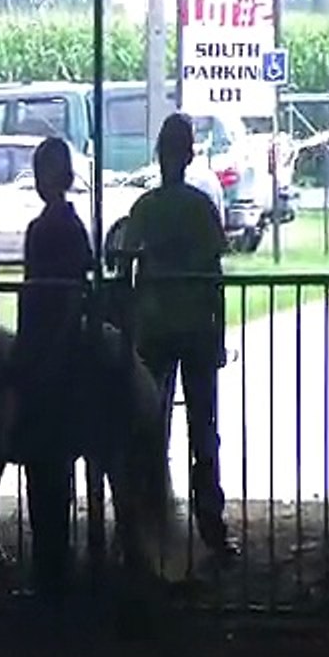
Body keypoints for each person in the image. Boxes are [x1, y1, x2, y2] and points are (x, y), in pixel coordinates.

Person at [122, 112, 239, 561]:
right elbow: (214, 276)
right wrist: (219, 329)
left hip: (154, 329)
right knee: (203, 429)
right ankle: (210, 523)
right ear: (190, 154)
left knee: (151, 430)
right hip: (194, 329)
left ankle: (148, 525)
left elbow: (125, 267)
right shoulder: (200, 208)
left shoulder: (146, 208)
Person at [11, 136, 93, 597]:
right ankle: (54, 566)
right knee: (49, 466)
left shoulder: (47, 229)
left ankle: (52, 569)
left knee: (46, 465)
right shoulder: (65, 227)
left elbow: (57, 294)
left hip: (49, 353)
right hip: (50, 351)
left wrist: (39, 352)